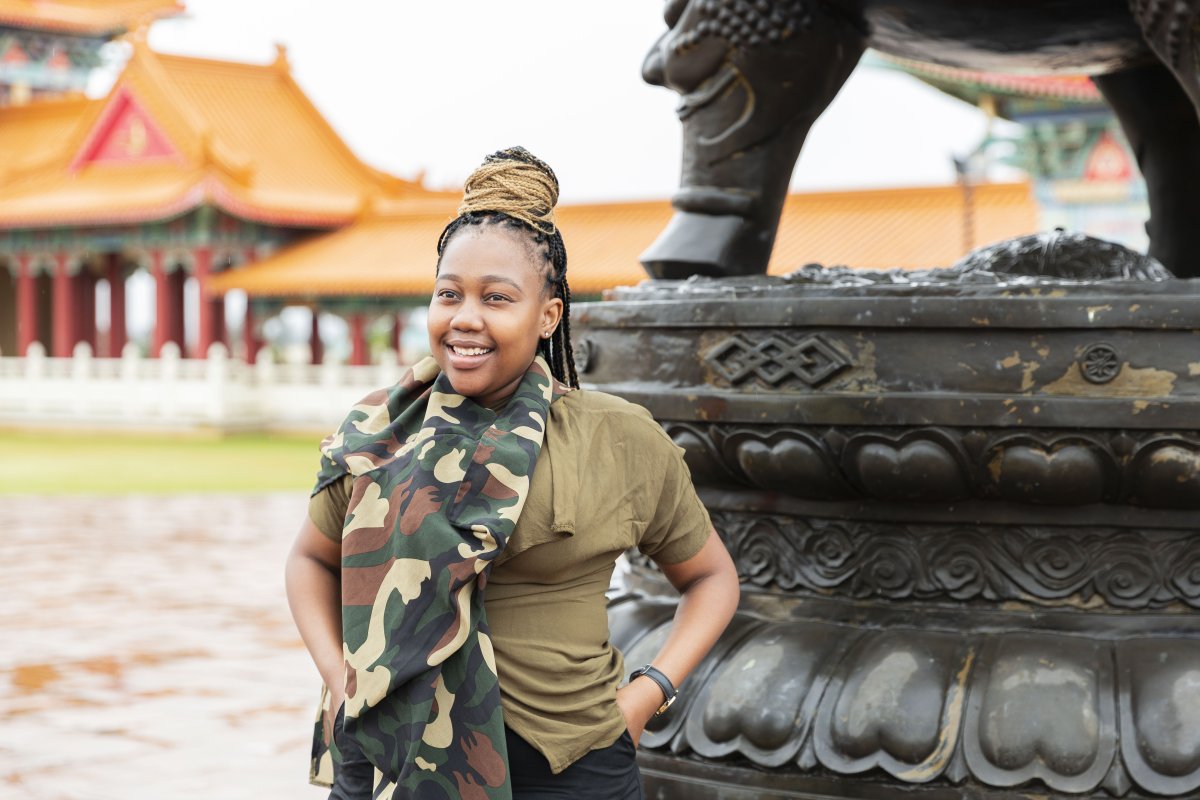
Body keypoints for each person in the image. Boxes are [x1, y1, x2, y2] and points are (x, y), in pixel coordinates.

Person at [285, 146, 740, 800]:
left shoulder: (616, 438)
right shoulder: (377, 431)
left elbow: (712, 579)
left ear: (548, 315)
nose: (466, 318)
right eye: (450, 294)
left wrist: (647, 696)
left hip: (569, 768)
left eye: (497, 298)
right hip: (389, 760)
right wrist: (339, 678)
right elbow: (308, 560)